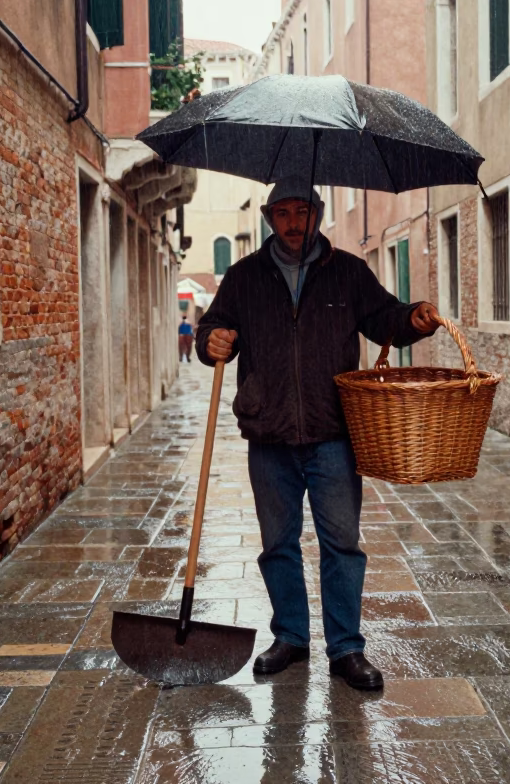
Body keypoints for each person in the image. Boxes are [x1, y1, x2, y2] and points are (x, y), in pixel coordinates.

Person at [196, 178, 440, 690]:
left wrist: (414, 320)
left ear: (318, 214)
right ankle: (290, 637)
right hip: (269, 432)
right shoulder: (244, 276)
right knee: (277, 544)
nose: (292, 223)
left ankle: (346, 647)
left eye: (302, 211)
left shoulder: (348, 272)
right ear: (269, 218)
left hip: (334, 431)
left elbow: (385, 319)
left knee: (342, 544)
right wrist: (210, 339)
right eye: (282, 213)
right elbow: (212, 329)